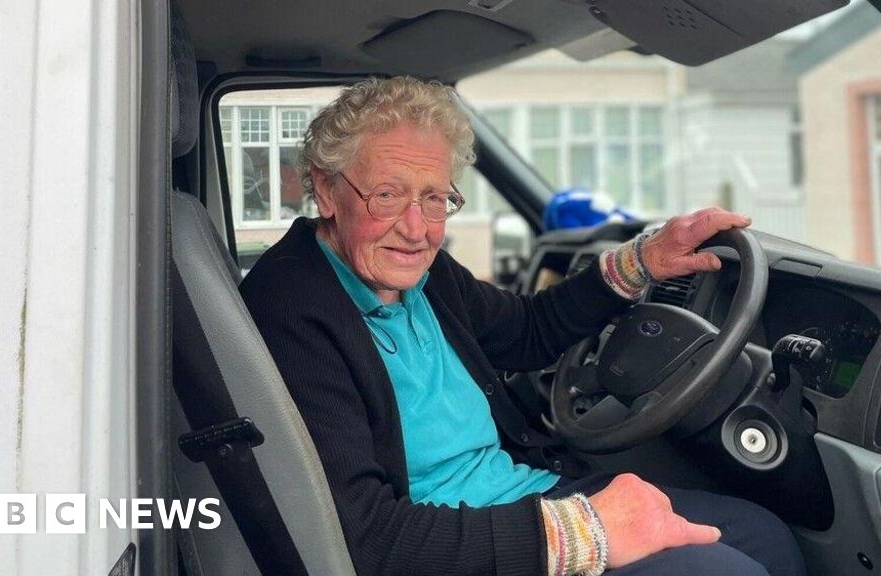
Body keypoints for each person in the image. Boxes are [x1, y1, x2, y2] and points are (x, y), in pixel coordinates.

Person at [240, 77, 806, 576]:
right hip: (458, 543)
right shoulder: (293, 308)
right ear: (326, 188)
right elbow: (367, 540)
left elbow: (527, 329)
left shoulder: (421, 271)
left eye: (434, 198)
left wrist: (644, 262)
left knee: (767, 537)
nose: (416, 229)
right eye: (386, 195)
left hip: (529, 493)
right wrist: (585, 532)